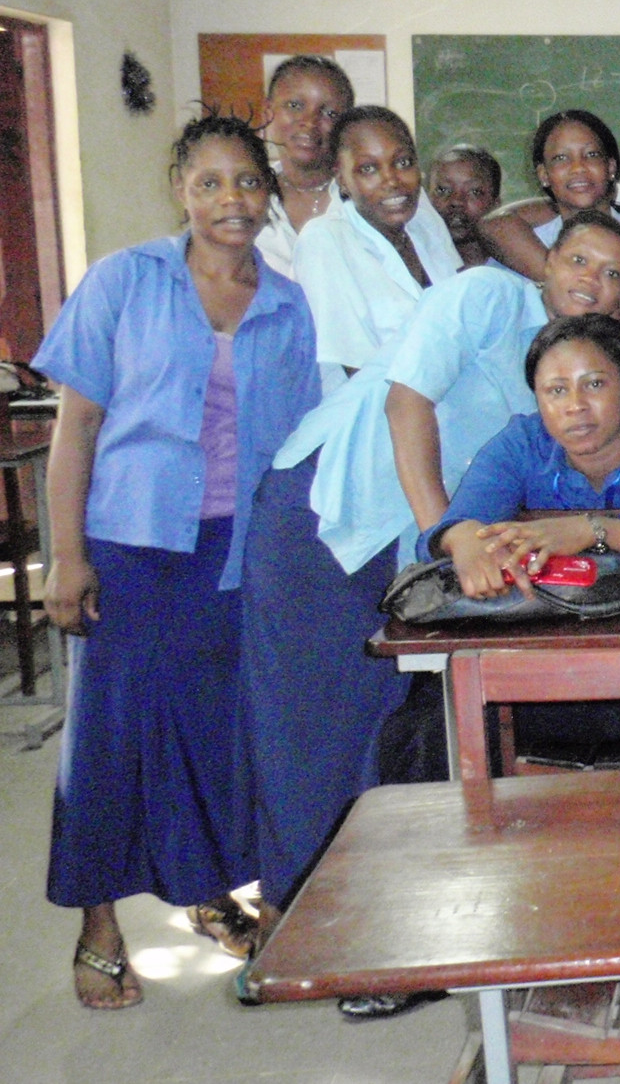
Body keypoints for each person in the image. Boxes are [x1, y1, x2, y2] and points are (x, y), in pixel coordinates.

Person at [239, 212, 620, 995]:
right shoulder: (488, 295)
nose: (590, 280)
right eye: (579, 259)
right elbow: (406, 404)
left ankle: (372, 929)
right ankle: (293, 932)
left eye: (612, 274)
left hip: (405, 542)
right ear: (548, 257)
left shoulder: (572, 366)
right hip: (328, 513)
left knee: (385, 724)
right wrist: (445, 535)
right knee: (310, 725)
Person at [35, 114, 320, 1008]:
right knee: (110, 738)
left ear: (268, 194)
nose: (230, 200)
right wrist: (67, 555)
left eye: (247, 182)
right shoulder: (126, 281)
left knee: (218, 732)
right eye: (210, 182)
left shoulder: (289, 302)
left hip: (240, 551)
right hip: (132, 544)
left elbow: (303, 440)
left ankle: (208, 892)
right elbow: (76, 426)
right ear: (180, 191)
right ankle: (99, 923)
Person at [424, 313, 620, 597]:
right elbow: (447, 533)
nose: (575, 405)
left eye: (593, 384)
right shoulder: (520, 445)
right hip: (548, 633)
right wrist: (461, 537)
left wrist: (595, 529)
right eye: (556, 390)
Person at [473, 110, 620, 400]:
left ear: (611, 166)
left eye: (591, 155)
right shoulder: (524, 246)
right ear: (543, 174)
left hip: (619, 402)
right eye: (561, 159)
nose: (578, 168)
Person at [293, 107, 464, 394]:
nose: (392, 180)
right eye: (368, 169)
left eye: (403, 162)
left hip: (452, 405)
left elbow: (463, 318)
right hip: (376, 421)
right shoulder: (325, 240)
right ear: (342, 179)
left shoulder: (423, 219)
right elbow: (361, 376)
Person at [252, 55, 353, 279]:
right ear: (268, 113)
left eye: (329, 113)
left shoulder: (379, 196)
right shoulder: (245, 199)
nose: (309, 121)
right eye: (295, 105)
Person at [426, 143, 503, 269]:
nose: (456, 201)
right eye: (443, 190)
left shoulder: (519, 270)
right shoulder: (416, 271)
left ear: (496, 204)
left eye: (474, 192)